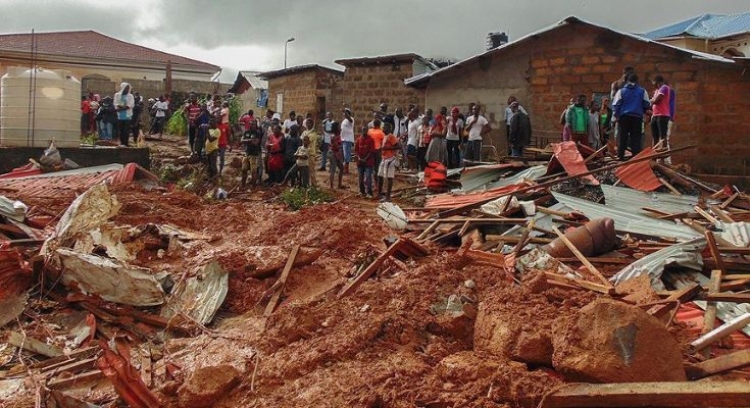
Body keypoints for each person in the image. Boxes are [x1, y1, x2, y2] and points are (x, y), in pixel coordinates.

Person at [613, 73, 651, 161]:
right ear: (637, 81)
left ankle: (620, 156)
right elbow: (646, 104)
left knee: (623, 137)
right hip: (637, 117)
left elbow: (616, 104)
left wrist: (617, 115)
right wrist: (643, 110)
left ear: (627, 81)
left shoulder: (621, 91)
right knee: (636, 138)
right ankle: (636, 158)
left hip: (624, 117)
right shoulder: (642, 91)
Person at [377, 123, 400, 202]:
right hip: (384, 158)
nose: (383, 129)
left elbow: (398, 146)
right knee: (380, 176)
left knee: (389, 177)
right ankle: (379, 194)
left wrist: (388, 148)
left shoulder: (391, 137)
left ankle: (388, 197)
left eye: (384, 127)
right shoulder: (385, 136)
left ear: (388, 128)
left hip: (390, 159)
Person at [649, 75, 672, 147]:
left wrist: (651, 100)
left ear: (657, 82)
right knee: (655, 137)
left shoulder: (664, 88)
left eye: (654, 84)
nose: (654, 86)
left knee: (662, 136)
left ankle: (663, 155)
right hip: (655, 115)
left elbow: (656, 100)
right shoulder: (657, 91)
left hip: (662, 115)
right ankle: (654, 156)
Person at [240, 121, 262, 189]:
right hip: (246, 153)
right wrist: (250, 140)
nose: (252, 126)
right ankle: (243, 185)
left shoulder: (258, 133)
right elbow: (241, 140)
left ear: (256, 125)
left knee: (253, 171)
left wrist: (246, 141)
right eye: (251, 124)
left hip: (254, 154)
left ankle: (253, 187)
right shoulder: (246, 132)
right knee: (244, 169)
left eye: (254, 125)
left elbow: (256, 143)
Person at [355, 125, 375, 197]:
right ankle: (362, 191)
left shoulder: (370, 140)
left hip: (368, 162)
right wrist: (359, 158)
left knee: (368, 177)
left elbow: (371, 151)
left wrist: (365, 158)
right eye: (363, 130)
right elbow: (356, 151)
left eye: (365, 130)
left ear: (367, 131)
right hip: (360, 162)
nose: (364, 131)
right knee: (360, 178)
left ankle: (369, 192)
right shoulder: (358, 140)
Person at [114, 82, 135, 147]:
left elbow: (131, 104)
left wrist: (123, 108)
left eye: (128, 88)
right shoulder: (117, 95)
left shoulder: (130, 96)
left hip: (127, 116)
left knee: (126, 130)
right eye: (126, 88)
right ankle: (122, 143)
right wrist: (118, 107)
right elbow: (115, 103)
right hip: (120, 116)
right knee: (121, 130)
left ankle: (126, 143)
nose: (127, 89)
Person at [301, 118, 320, 187]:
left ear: (312, 124)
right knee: (304, 171)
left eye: (309, 123)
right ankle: (306, 185)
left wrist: (303, 140)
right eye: (307, 123)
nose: (308, 124)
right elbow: (302, 140)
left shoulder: (313, 134)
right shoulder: (305, 132)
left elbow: (306, 141)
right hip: (304, 154)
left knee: (311, 171)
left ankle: (314, 186)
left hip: (310, 155)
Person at [341, 108, 355, 174]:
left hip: (348, 139)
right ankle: (344, 168)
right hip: (343, 139)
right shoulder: (344, 121)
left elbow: (350, 119)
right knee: (344, 155)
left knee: (347, 155)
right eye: (344, 113)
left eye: (346, 113)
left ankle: (346, 170)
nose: (344, 114)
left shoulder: (351, 119)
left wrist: (345, 112)